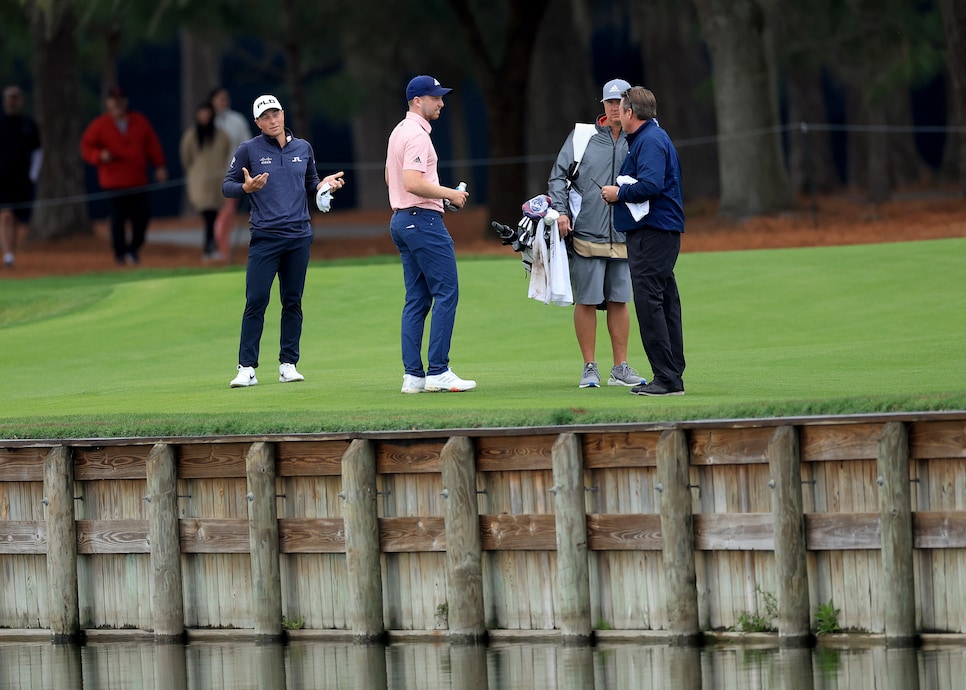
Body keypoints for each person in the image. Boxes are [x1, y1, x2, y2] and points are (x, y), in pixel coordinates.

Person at [223, 94, 345, 388]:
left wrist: (325, 186)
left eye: (275, 114)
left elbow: (311, 182)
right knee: (256, 300)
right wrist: (246, 187)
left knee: (292, 301)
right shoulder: (248, 150)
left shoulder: (303, 148)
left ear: (283, 114)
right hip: (265, 237)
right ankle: (247, 368)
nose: (272, 120)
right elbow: (227, 187)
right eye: (265, 117)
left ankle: (288, 363)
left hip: (299, 236)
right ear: (257, 123)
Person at [548, 78, 645, 389]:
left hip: (626, 232)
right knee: (587, 300)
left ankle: (621, 367)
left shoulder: (640, 136)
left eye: (621, 102)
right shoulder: (582, 136)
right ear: (603, 105)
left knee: (619, 299)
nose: (616, 108)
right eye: (610, 102)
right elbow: (558, 177)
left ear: (630, 105)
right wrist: (561, 212)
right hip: (587, 231)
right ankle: (589, 367)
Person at [385, 75, 474, 394]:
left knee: (417, 298)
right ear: (417, 101)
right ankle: (438, 370)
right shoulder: (418, 135)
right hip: (422, 221)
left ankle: (413, 376)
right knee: (447, 292)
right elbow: (411, 181)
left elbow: (392, 178)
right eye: (435, 98)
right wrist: (449, 194)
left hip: (401, 220)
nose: (441, 102)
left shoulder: (399, 130)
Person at [601, 86, 686, 396]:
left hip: (653, 232)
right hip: (659, 232)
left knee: (651, 304)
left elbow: (651, 184)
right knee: (664, 302)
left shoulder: (649, 140)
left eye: (621, 110)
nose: (618, 116)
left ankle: (666, 378)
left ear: (630, 113)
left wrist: (618, 193)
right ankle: (672, 374)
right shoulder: (650, 137)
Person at [80, 86, 167, 265]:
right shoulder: (100, 124)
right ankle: (120, 254)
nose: (117, 102)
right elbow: (86, 147)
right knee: (117, 220)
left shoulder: (139, 121)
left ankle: (133, 249)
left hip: (137, 180)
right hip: (113, 181)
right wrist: (99, 156)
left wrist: (159, 166)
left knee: (141, 218)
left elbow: (152, 145)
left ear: (125, 101)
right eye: (113, 99)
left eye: (120, 99)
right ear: (107, 102)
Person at [180, 101, 232, 260]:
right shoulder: (191, 136)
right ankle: (210, 247)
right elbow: (186, 157)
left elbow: (226, 153)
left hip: (216, 181)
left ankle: (210, 247)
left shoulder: (222, 135)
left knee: (213, 215)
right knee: (208, 215)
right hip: (199, 182)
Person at [0, 85, 41, 268]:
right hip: (2, 178)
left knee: (16, 218)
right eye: (9, 97)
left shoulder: (28, 124)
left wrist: (33, 174)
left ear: (21, 100)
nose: (12, 101)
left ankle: (10, 252)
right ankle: (7, 253)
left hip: (22, 179)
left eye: (15, 97)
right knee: (5, 215)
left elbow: (38, 151)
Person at [210, 87, 253, 258]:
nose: (223, 101)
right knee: (214, 213)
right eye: (220, 98)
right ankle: (217, 247)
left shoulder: (237, 121)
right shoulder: (207, 122)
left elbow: (247, 145)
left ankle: (222, 249)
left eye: (225, 98)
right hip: (210, 177)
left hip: (232, 174)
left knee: (227, 213)